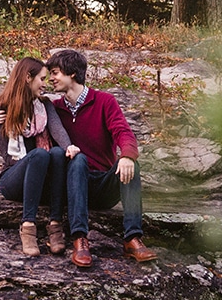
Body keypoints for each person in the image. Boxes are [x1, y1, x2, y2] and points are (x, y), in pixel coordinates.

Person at [45, 49, 156, 267]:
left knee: (132, 164)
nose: (51, 79)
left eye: (55, 73)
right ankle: (80, 239)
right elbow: (23, 123)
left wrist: (127, 156)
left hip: (102, 185)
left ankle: (132, 238)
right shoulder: (53, 109)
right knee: (78, 160)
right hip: (72, 187)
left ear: (72, 74)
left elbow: (123, 132)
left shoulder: (104, 101)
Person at [0, 57, 81, 256]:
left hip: (40, 180)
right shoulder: (1, 110)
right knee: (39, 155)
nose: (45, 84)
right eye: (42, 79)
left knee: (56, 152)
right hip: (13, 178)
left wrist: (69, 147)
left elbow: (58, 130)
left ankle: (55, 224)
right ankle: (28, 226)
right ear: (28, 78)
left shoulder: (45, 106)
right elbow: (8, 157)